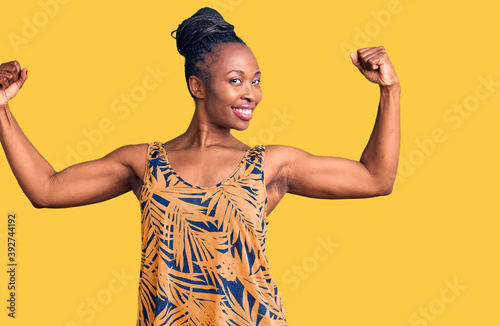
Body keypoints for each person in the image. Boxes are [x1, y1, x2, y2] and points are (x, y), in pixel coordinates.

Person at [0, 7, 400, 326]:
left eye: (256, 81)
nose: (252, 93)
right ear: (198, 86)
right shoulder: (143, 163)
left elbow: (376, 178)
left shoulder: (270, 164)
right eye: (237, 80)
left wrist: (389, 89)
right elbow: (46, 189)